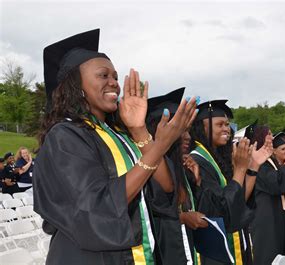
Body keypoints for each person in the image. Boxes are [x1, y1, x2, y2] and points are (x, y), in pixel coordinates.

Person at [33, 29, 196, 264]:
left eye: (116, 77)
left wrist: (139, 129)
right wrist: (160, 145)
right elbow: (96, 207)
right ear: (75, 84)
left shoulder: (120, 136)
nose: (114, 83)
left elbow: (166, 187)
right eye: (103, 75)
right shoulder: (65, 136)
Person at [189, 100, 273, 265]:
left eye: (227, 124)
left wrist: (253, 167)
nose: (226, 129)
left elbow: (237, 203)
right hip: (215, 251)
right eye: (219, 124)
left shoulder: (218, 157)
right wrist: (240, 169)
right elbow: (223, 212)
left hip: (235, 240)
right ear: (202, 128)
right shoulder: (197, 161)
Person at [145, 87, 207, 264]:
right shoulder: (147, 167)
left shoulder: (180, 168)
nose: (188, 136)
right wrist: (182, 218)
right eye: (181, 130)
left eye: (187, 130)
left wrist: (196, 181)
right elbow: (147, 218)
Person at [249, 129, 285, 264]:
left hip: (274, 215)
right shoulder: (258, 164)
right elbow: (276, 184)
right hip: (264, 219)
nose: (272, 137)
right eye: (269, 135)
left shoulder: (269, 162)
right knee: (268, 255)